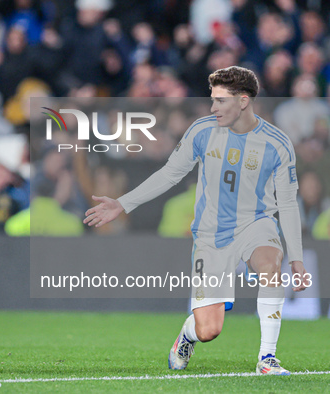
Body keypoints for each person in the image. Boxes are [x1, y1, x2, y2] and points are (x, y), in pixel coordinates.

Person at [83, 66, 309, 375]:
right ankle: (186, 336)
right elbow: (169, 174)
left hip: (256, 224)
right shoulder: (203, 131)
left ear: (243, 101)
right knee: (209, 330)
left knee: (271, 265)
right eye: (212, 100)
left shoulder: (277, 144)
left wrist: (295, 257)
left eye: (220, 101)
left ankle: (267, 359)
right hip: (211, 234)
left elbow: (287, 203)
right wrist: (123, 203)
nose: (212, 108)